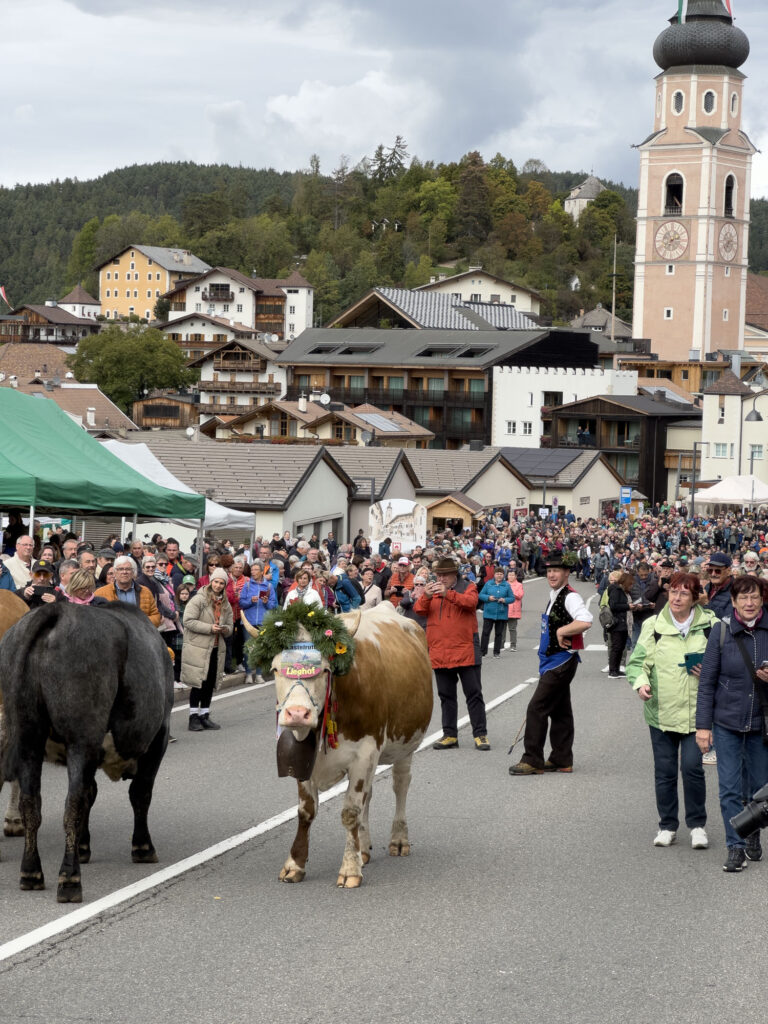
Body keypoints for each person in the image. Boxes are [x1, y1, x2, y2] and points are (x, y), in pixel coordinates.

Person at [626, 572, 717, 850]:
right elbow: (636, 664)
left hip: (696, 714)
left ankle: (697, 825)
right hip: (661, 712)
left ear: (695, 597)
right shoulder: (654, 625)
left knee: (691, 769)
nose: (677, 598)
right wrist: (641, 684)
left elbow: (727, 665)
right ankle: (667, 825)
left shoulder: (711, 625)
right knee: (664, 772)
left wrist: (710, 672)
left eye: (684, 593)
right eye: (673, 592)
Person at [696, 575, 768, 872]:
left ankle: (752, 833)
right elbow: (707, 681)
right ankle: (734, 846)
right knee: (728, 788)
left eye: (755, 597)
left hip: (761, 723)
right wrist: (703, 726)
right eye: (743, 598)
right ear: (734, 601)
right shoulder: (721, 631)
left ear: (762, 599)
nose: (749, 603)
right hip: (726, 722)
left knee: (759, 789)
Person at [509, 554, 592, 775]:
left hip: (561, 662)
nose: (552, 574)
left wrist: (562, 630)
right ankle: (562, 759)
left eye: (556, 571)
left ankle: (532, 760)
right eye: (549, 571)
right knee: (560, 710)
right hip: (553, 661)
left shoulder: (570, 597)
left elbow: (585, 620)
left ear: (566, 573)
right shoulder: (555, 594)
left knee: (536, 708)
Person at [414, 556, 490, 752]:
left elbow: (471, 603)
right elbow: (418, 610)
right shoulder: (433, 590)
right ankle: (449, 735)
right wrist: (426, 596)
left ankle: (480, 734)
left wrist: (448, 594)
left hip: (465, 650)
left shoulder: (468, 586)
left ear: (453, 574)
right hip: (440, 652)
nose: (440, 578)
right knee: (446, 697)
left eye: (444, 575)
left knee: (473, 695)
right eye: (438, 575)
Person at [180, 567, 233, 731]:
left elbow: (230, 625)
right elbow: (187, 620)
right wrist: (210, 628)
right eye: (216, 582)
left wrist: (225, 629)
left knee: (210, 682)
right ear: (211, 581)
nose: (218, 585)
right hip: (199, 647)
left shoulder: (225, 603)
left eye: (221, 583)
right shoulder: (198, 599)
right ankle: (193, 717)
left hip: (216, 647)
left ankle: (205, 714)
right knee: (199, 682)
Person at [94, 555, 162, 626]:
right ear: (115, 572)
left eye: (128, 569)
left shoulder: (145, 592)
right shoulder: (100, 593)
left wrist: (139, 622)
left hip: (140, 635)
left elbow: (156, 616)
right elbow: (95, 618)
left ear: (133, 572)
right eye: (120, 569)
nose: (124, 572)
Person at [239, 561, 277, 683]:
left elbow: (273, 606)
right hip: (248, 622)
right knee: (248, 648)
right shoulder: (247, 585)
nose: (253, 572)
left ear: (262, 572)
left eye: (256, 570)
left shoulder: (269, 587)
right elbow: (241, 603)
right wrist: (250, 601)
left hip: (263, 621)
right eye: (252, 570)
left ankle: (259, 674)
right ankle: (249, 673)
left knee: (261, 648)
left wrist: (266, 602)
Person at [479, 567, 515, 658]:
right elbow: (481, 595)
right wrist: (488, 598)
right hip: (488, 613)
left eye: (501, 574)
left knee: (499, 634)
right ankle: (482, 652)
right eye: (497, 574)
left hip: (501, 613)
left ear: (503, 575)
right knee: (485, 633)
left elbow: (512, 598)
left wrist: (504, 600)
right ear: (494, 575)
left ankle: (496, 652)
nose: (499, 575)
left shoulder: (506, 585)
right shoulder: (488, 584)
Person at [606, 572, 633, 678]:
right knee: (616, 647)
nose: (631, 586)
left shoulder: (623, 591)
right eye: (630, 584)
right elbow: (613, 605)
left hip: (623, 622)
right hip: (617, 622)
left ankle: (616, 669)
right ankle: (612, 670)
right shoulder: (616, 590)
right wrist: (628, 606)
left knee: (621, 647)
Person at [504, 568, 524, 651]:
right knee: (502, 628)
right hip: (504, 608)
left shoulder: (519, 585)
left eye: (512, 575)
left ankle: (513, 645)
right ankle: (501, 644)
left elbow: (520, 595)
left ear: (516, 576)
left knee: (512, 628)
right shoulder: (504, 584)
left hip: (514, 609)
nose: (511, 576)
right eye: (509, 575)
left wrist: (511, 593)